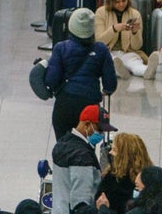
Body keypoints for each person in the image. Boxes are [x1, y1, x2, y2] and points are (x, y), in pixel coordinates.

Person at [43, 8, 118, 139]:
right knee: (86, 149)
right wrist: (105, 91)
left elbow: (51, 80)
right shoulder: (101, 50)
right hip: (90, 107)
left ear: (71, 27)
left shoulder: (61, 48)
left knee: (63, 147)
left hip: (65, 104)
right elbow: (111, 84)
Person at [95, 0, 158, 80]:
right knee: (109, 60)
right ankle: (117, 70)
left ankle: (147, 71)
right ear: (111, 1)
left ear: (128, 0)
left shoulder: (135, 14)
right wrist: (114, 29)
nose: (121, 4)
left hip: (127, 52)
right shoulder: (101, 12)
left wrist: (135, 33)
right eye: (117, 2)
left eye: (123, 1)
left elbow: (137, 46)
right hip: (108, 51)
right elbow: (99, 41)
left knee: (135, 63)